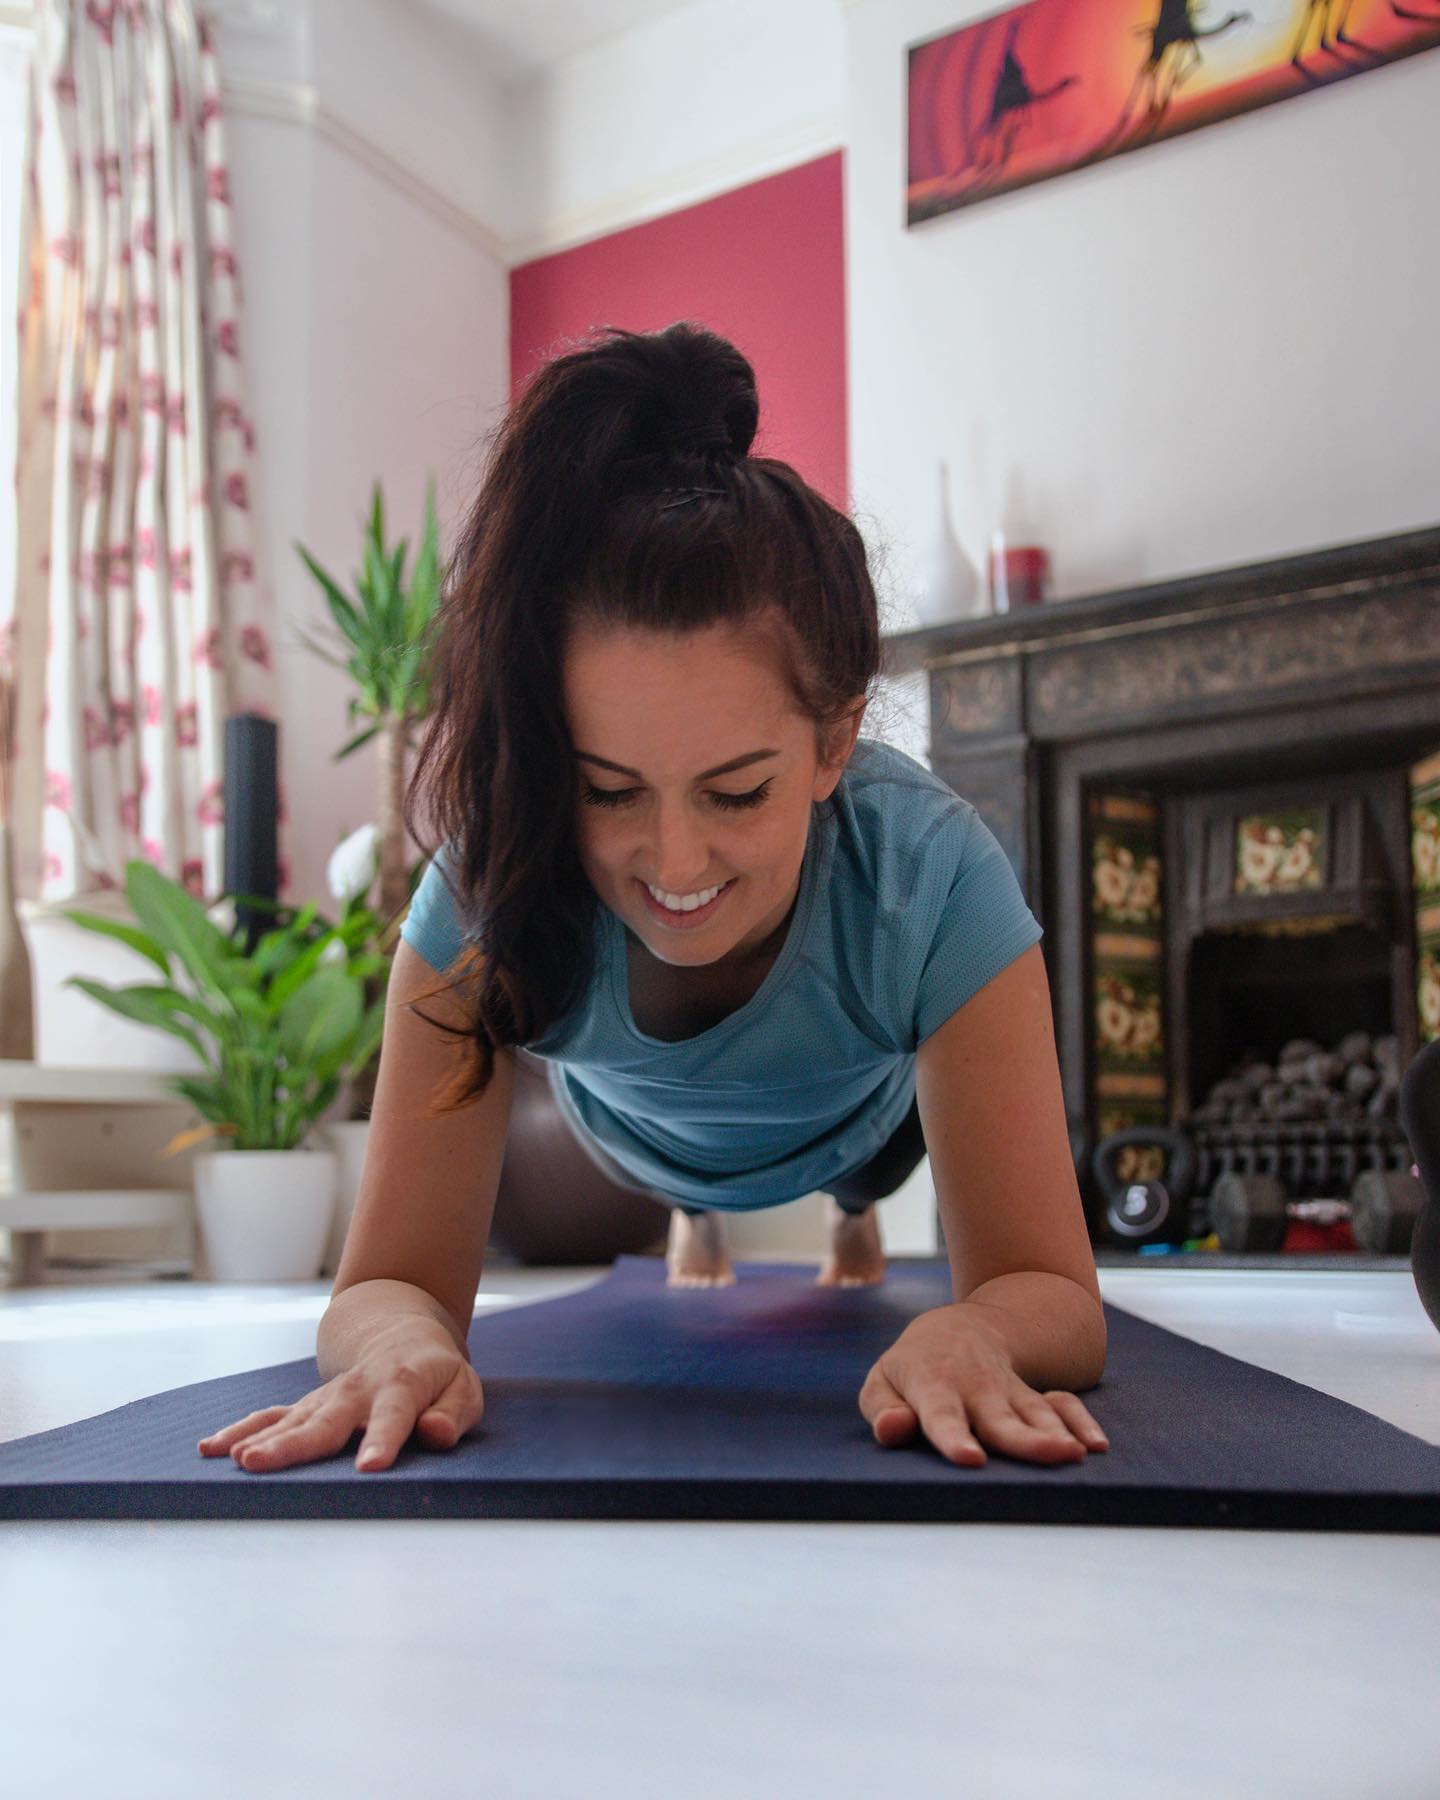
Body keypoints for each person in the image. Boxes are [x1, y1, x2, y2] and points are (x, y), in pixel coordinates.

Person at [198, 321, 1109, 1480]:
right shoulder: (486, 883)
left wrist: (975, 1327)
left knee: (865, 1176)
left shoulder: (931, 875)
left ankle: (849, 1212)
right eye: (608, 790)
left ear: (835, 741)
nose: (675, 861)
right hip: (625, 1136)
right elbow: (385, 1282)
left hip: (860, 1125)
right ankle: (699, 1205)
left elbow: (1054, 1295)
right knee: (667, 1174)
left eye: (736, 791)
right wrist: (398, 1339)